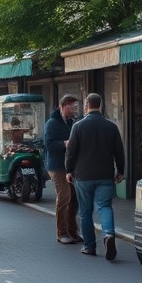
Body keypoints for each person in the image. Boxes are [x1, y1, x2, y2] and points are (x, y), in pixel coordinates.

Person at [65, 93, 125, 260]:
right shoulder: (111, 127)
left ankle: (89, 246)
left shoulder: (78, 126)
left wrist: (69, 170)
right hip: (105, 175)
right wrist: (120, 171)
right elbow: (119, 152)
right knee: (105, 206)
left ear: (86, 106)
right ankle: (108, 234)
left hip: (83, 176)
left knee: (85, 212)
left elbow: (71, 152)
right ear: (101, 106)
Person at [44, 94, 81, 245]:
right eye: (71, 108)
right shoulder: (52, 123)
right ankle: (61, 233)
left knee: (74, 198)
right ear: (63, 106)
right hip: (57, 166)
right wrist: (64, 144)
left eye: (75, 108)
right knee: (64, 196)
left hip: (70, 166)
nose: (74, 111)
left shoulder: (73, 122)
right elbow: (48, 144)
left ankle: (73, 231)